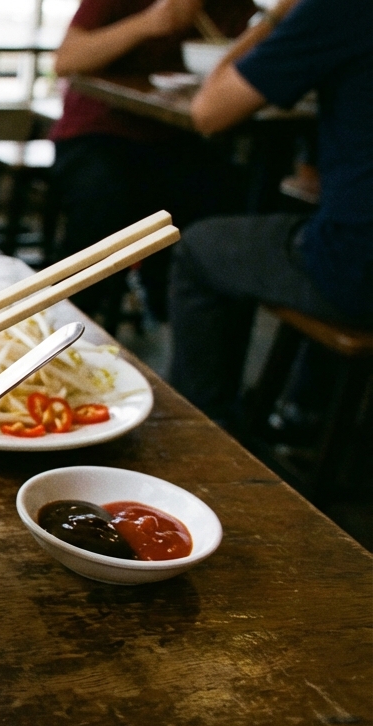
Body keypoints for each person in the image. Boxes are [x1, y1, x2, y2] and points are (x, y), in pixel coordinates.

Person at [169, 0, 373, 424]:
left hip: (360, 273)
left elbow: (210, 110)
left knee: (199, 249)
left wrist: (280, 15)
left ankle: (207, 433)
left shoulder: (340, 9)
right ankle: (310, 408)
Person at [50, 0, 255, 326]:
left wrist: (276, 22)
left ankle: (179, 318)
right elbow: (66, 60)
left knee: (229, 196)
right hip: (98, 129)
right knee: (105, 195)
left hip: (180, 138)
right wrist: (148, 22)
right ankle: (66, 320)